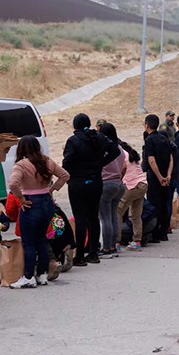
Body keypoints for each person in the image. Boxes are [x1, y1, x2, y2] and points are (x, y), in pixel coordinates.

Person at [8, 136, 69, 288]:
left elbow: (13, 183)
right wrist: (52, 189)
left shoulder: (21, 164)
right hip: (47, 202)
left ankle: (28, 276)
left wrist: (21, 198)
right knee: (42, 239)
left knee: (29, 242)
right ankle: (42, 274)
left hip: (30, 203)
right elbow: (64, 175)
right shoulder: (46, 161)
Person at [63, 113, 119, 265]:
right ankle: (93, 253)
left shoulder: (73, 141)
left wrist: (71, 172)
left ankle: (80, 255)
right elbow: (115, 150)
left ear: (75, 126)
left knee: (80, 218)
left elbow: (67, 162)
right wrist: (101, 163)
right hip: (95, 181)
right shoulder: (99, 138)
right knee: (94, 217)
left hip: (78, 182)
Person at [143, 114, 173, 242]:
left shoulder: (149, 140)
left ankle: (155, 234)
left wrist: (160, 177)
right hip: (166, 176)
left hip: (155, 177)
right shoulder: (164, 138)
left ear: (147, 125)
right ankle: (163, 232)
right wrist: (168, 175)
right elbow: (171, 158)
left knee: (154, 204)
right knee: (164, 203)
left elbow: (151, 160)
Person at [99, 123, 126, 256]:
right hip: (119, 183)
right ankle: (114, 246)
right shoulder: (120, 148)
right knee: (114, 215)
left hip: (106, 184)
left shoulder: (104, 149)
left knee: (105, 218)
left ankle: (106, 248)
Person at [118, 141, 148, 250]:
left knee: (118, 212)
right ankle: (137, 241)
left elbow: (123, 168)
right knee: (136, 214)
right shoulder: (131, 154)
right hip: (142, 184)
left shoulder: (122, 155)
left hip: (131, 186)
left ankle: (116, 242)